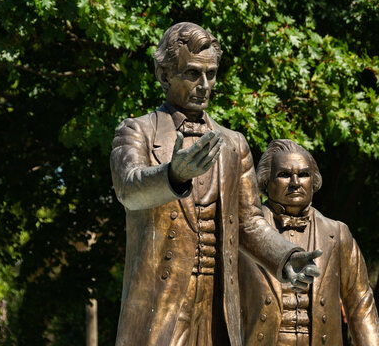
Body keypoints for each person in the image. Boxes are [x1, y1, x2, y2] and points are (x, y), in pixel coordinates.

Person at [110, 23, 322, 346]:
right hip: (161, 307)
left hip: (217, 304)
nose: (205, 85)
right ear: (165, 76)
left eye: (211, 74)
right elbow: (128, 188)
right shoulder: (137, 132)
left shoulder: (233, 144)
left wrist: (284, 255)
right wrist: (172, 175)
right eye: (193, 74)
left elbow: (250, 223)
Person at [239, 139, 379, 346]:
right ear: (265, 182)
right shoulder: (244, 232)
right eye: (284, 175)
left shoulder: (337, 234)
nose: (295, 182)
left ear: (313, 181)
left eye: (304, 174)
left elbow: (361, 304)